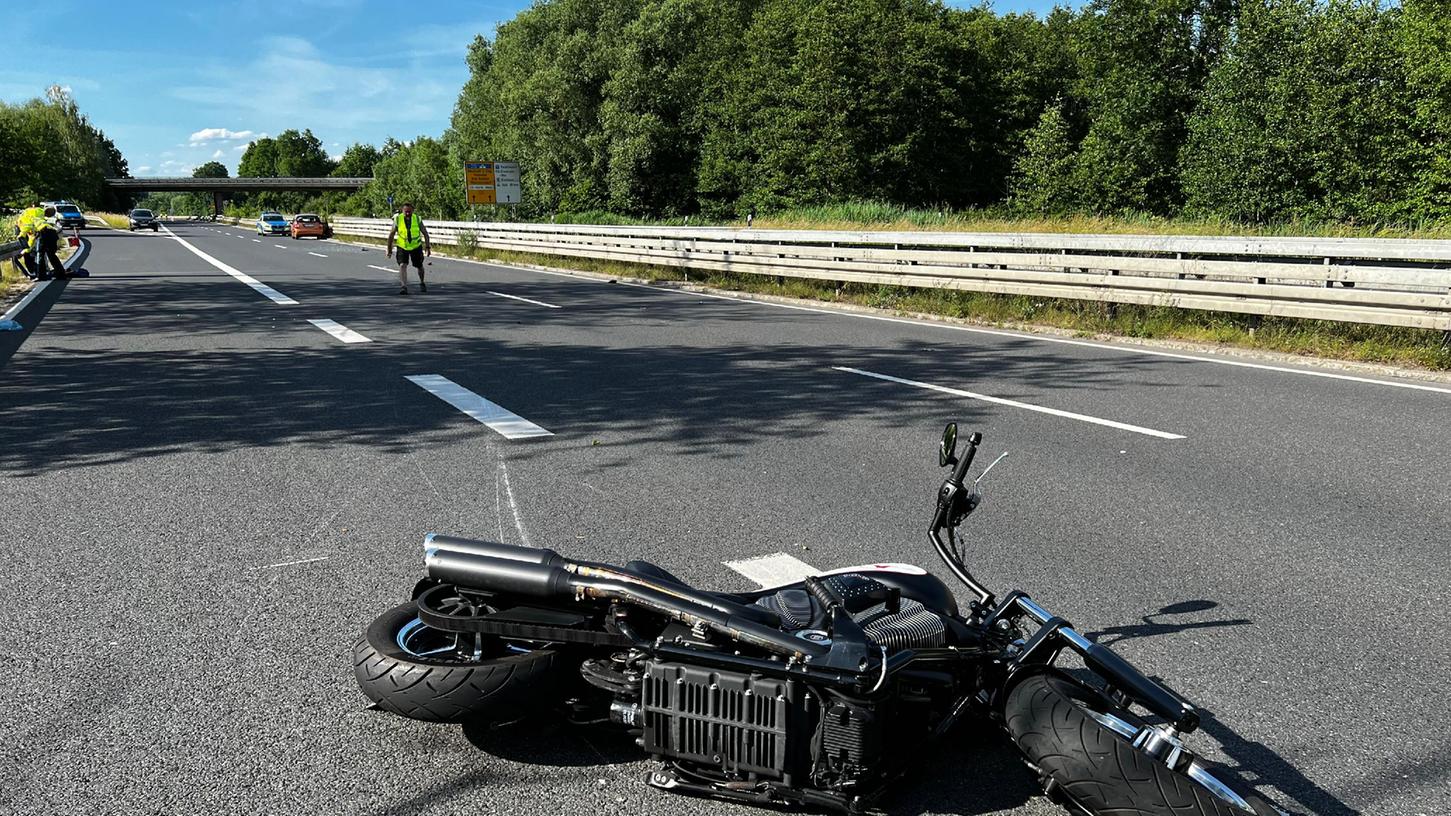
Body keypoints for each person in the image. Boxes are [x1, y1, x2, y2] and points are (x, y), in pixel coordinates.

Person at [385, 202, 431, 295]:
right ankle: (403, 286)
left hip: (416, 246)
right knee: (402, 265)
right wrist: (389, 249)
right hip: (402, 246)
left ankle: (422, 282)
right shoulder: (398, 219)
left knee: (419, 266)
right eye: (405, 211)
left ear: (413, 211)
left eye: (409, 211)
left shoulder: (417, 219)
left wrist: (427, 247)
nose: (407, 213)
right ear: (402, 211)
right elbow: (391, 235)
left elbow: (425, 233)